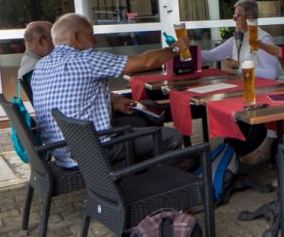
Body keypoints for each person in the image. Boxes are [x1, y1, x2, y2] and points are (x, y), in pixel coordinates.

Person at [31, 13, 189, 169]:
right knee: (172, 136)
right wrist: (175, 49)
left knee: (140, 118)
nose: (95, 40)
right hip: (95, 152)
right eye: (91, 35)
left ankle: (143, 169)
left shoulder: (41, 65)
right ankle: (162, 180)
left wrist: (113, 102)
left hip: (63, 151)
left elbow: (71, 96)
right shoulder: (87, 59)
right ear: (76, 36)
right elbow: (147, 62)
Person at [201, 0, 283, 81]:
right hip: (251, 84)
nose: (234, 20)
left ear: (249, 18)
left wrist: (240, 66)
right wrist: (192, 52)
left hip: (271, 86)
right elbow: (211, 55)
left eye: (237, 16)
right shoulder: (238, 38)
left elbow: (272, 73)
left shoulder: (263, 39)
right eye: (234, 16)